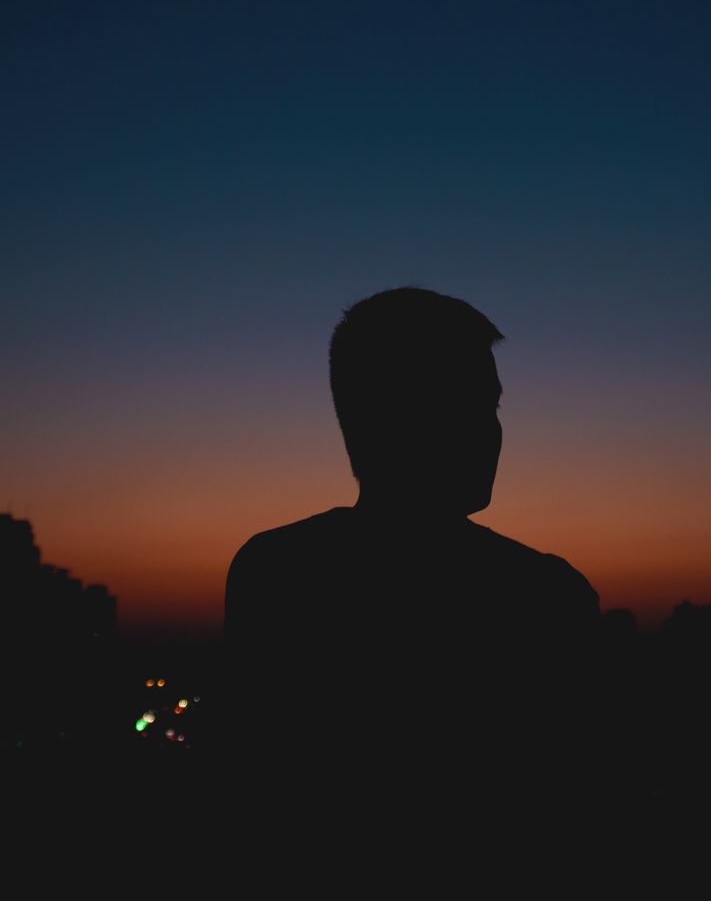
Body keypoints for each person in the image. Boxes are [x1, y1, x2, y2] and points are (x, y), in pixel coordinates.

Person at [222, 286, 600, 809]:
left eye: (490, 407)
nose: (491, 433)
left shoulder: (275, 572)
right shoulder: (543, 595)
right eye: (463, 404)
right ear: (384, 416)